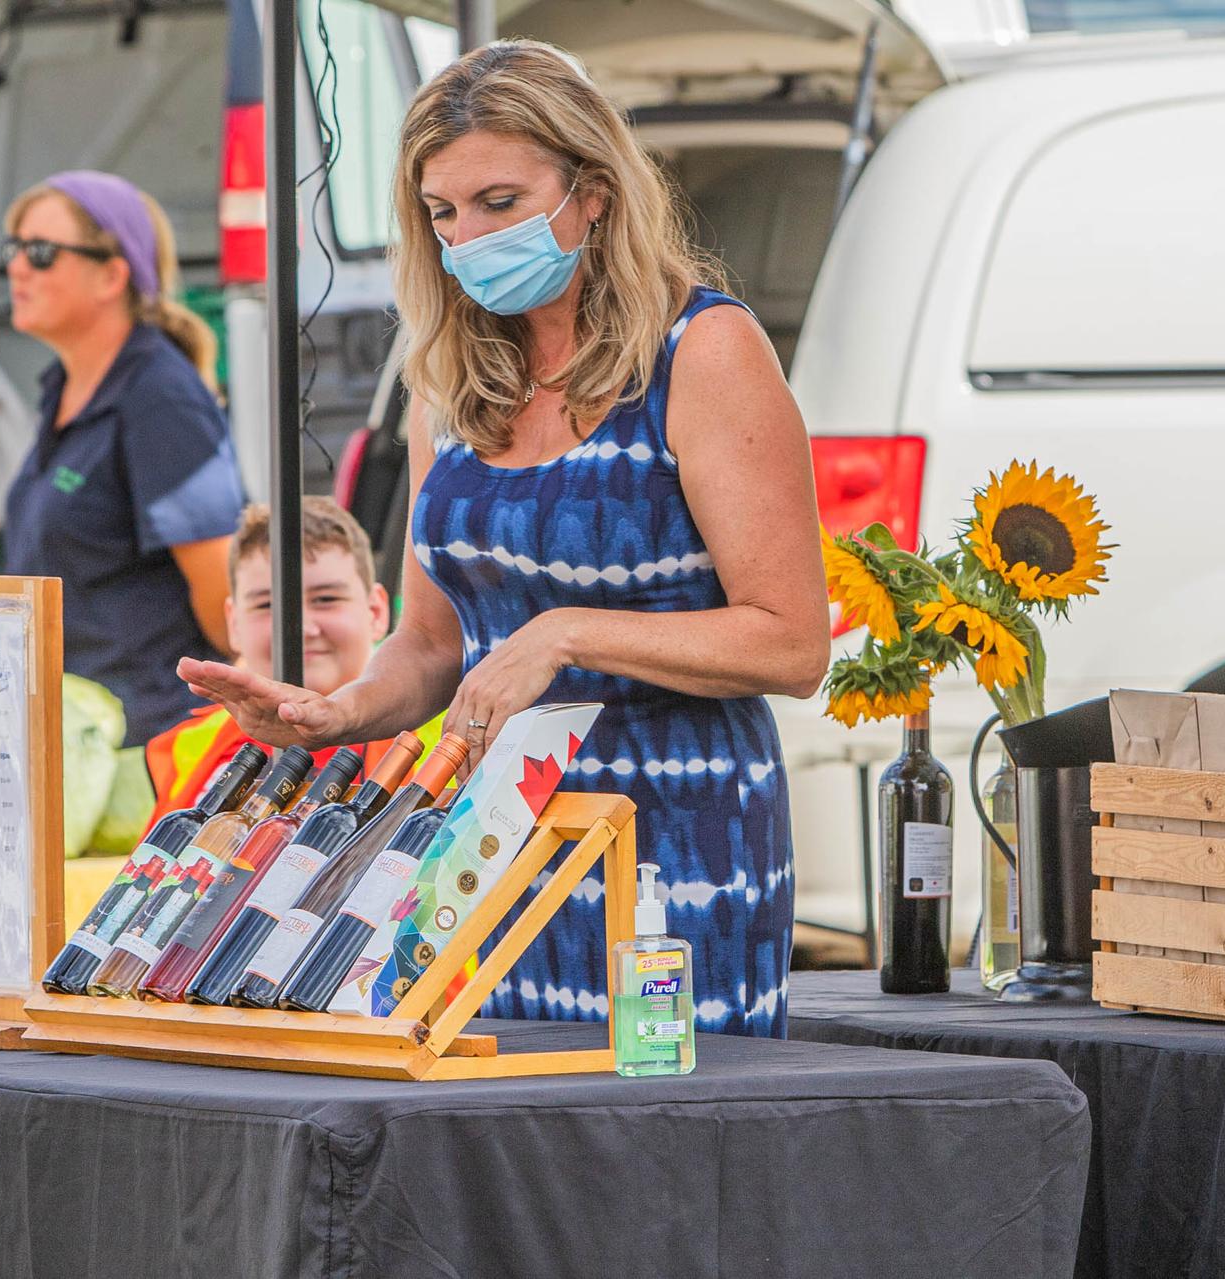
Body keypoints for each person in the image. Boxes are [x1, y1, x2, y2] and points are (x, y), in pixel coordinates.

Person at [178, 41, 829, 1036]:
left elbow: (789, 642)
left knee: (661, 1154)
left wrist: (570, 631)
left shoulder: (703, 353)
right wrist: (334, 713)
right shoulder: (447, 380)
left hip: (678, 850)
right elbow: (436, 646)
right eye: (441, 214)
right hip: (493, 852)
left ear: (594, 193)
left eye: (498, 203)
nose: (467, 238)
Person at [0, 170, 243, 747]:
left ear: (112, 274)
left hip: (142, 743)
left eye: (41, 252)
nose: (16, 268)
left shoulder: (160, 398)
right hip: (71, 735)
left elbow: (228, 605)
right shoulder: (64, 386)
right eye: (14, 249)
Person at [146, 496, 441, 824]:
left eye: (326, 599)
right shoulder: (190, 745)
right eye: (267, 605)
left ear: (375, 611)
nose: (301, 628)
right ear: (233, 623)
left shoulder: (443, 737)